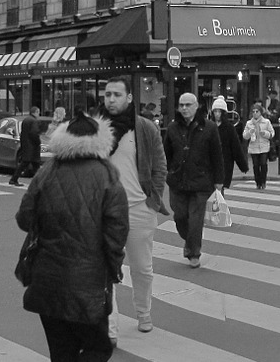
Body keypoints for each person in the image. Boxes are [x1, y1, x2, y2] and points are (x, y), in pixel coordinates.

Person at [18, 109, 127, 362]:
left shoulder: (48, 171)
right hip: (87, 279)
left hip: (47, 276)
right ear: (100, 142)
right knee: (97, 347)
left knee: (62, 351)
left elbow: (24, 218)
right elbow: (116, 233)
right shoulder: (107, 174)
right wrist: (114, 269)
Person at [100, 77, 169, 338]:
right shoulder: (97, 128)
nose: (111, 99)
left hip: (140, 208)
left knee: (141, 268)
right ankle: (110, 328)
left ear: (129, 98)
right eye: (107, 94)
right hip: (106, 212)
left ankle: (144, 313)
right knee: (105, 270)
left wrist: (154, 200)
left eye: (117, 94)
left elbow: (160, 165)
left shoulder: (144, 128)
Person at [163, 92, 223, 267]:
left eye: (188, 105)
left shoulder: (209, 127)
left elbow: (217, 155)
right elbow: (166, 154)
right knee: (180, 217)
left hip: (201, 182)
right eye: (181, 105)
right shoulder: (173, 127)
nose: (184, 108)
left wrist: (219, 180)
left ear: (196, 106)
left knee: (196, 221)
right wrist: (166, 172)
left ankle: (194, 253)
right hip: (178, 182)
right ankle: (189, 241)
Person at [210, 96, 248, 193]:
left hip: (224, 162)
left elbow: (236, 147)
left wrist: (242, 165)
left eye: (219, 112)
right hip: (209, 162)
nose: (217, 114)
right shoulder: (209, 126)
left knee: (219, 189)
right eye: (215, 111)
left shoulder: (229, 128)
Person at [242, 102, 275, 190]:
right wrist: (250, 132)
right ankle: (258, 182)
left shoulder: (266, 122)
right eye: (253, 112)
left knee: (263, 164)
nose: (255, 113)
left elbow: (272, 133)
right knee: (256, 165)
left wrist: (265, 134)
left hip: (264, 146)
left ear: (260, 112)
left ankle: (263, 181)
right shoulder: (249, 123)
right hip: (254, 147)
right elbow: (244, 136)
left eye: (257, 111)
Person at [9, 105, 42, 185]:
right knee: (31, 163)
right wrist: (38, 142)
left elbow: (23, 133)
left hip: (26, 145)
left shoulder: (26, 120)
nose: (39, 115)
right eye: (38, 113)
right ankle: (14, 179)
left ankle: (39, 182)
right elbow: (34, 133)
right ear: (36, 112)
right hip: (32, 146)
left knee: (31, 164)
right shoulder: (33, 121)